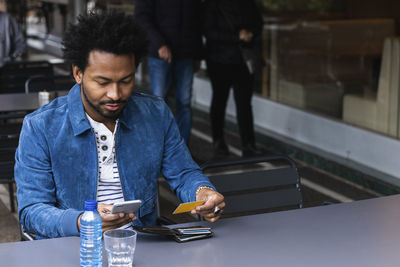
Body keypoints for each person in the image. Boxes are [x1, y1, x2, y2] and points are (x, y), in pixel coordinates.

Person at [14, 12, 225, 239]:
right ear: (78, 73)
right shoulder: (40, 127)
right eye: (102, 82)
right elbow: (32, 211)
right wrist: (82, 221)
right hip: (73, 248)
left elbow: (183, 173)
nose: (115, 94)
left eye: (126, 81)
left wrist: (203, 192)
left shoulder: (155, 114)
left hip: (141, 242)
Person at [134, 0, 203, 143]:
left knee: (184, 102)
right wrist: (159, 44)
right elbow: (141, 17)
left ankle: (182, 151)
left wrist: (198, 55)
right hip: (160, 55)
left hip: (186, 55)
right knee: (159, 102)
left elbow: (197, 22)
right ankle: (158, 147)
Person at [203, 0, 263, 157]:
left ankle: (248, 145)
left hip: (243, 61)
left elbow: (258, 23)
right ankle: (218, 141)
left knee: (244, 104)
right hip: (219, 61)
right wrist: (237, 37)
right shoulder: (212, 4)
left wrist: (251, 34)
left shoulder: (247, 3)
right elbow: (209, 32)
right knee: (219, 101)